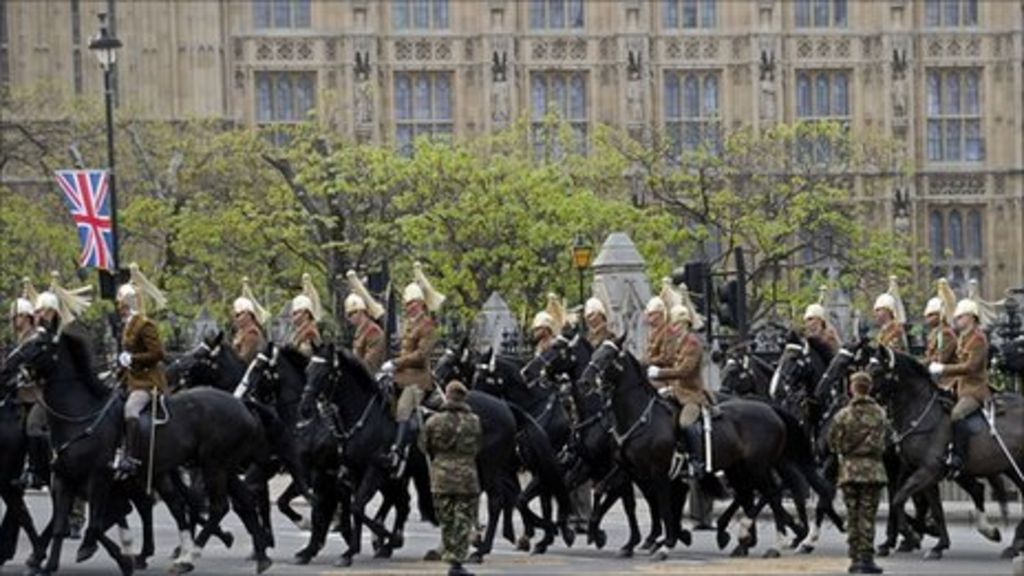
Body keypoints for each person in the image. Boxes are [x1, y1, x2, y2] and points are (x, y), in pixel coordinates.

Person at [382, 262, 443, 475]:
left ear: (419, 303)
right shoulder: (410, 325)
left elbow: (420, 356)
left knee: (403, 408)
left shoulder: (427, 325)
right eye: (406, 305)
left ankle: (398, 452)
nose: (407, 308)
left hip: (419, 378)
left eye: (410, 304)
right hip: (402, 376)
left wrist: (396, 363)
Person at [828, 371, 888, 575]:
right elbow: (886, 441)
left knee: (852, 516)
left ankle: (854, 557)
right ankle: (867, 558)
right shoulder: (880, 413)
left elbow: (833, 443)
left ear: (852, 388)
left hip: (850, 471)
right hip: (872, 470)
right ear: (869, 388)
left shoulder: (843, 415)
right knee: (867, 516)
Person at [421, 380, 482, 576]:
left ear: (447, 396)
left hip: (441, 476)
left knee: (446, 519)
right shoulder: (474, 421)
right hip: (467, 477)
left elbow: (423, 446)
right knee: (463, 519)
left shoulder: (433, 421)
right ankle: (458, 561)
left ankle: (449, 555)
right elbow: (478, 446)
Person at [113, 264, 168, 478]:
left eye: (122, 303)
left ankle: (132, 456)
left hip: (146, 381)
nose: (119, 307)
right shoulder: (127, 325)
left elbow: (158, 353)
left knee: (131, 411)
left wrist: (133, 358)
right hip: (128, 379)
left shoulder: (145, 325)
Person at [929, 299, 991, 477]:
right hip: (959, 387)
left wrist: (943, 369)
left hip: (974, 389)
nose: (956, 320)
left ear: (971, 317)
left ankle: (958, 456)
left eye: (960, 316)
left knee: (957, 415)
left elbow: (970, 367)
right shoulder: (963, 338)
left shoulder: (978, 339)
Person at [648, 304, 711, 478]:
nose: (672, 328)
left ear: (684, 324)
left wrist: (659, 373)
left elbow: (685, 370)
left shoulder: (692, 343)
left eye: (675, 325)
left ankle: (696, 460)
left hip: (692, 395)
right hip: (676, 392)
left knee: (686, 423)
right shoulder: (679, 343)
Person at [10, 288, 46, 488]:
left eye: (17, 316)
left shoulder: (36, 339)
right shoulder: (22, 339)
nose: (15, 321)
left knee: (33, 426)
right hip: (23, 395)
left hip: (39, 395)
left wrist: (28, 373)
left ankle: (36, 470)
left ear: (26, 317)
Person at [346, 270, 387, 374]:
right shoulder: (360, 331)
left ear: (362, 311)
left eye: (353, 313)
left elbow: (370, 363)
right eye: (349, 314)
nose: (351, 317)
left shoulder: (373, 331)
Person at [922, 279, 957, 392]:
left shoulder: (946, 333)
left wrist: (920, 363)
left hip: (947, 379)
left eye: (931, 315)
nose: (927, 319)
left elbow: (941, 358)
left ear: (939, 316)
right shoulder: (935, 333)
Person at [232, 278, 267, 364]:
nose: (236, 318)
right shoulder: (241, 332)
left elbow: (244, 360)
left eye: (239, 315)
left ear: (248, 315)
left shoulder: (251, 333)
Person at [290, 273, 322, 358]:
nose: (294, 316)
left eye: (297, 313)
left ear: (306, 314)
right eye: (294, 313)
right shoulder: (297, 331)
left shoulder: (310, 331)